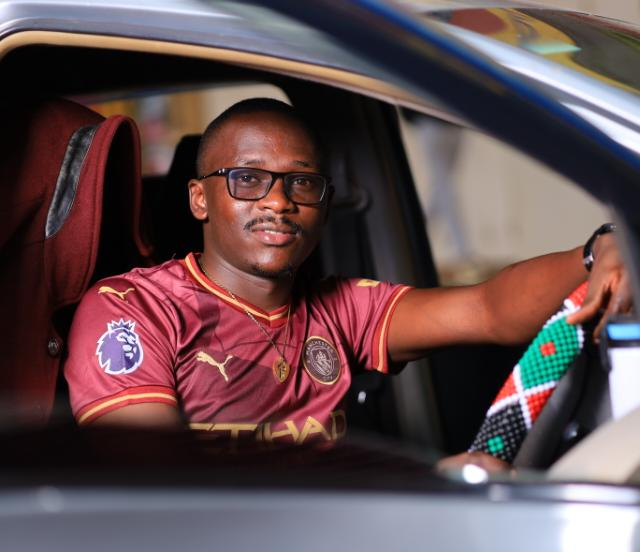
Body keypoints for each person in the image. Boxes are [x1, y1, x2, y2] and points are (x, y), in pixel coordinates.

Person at [64, 98, 630, 469]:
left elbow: (488, 309)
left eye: (301, 183)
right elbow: (160, 485)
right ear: (199, 199)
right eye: (248, 179)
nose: (278, 201)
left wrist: (599, 250)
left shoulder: (340, 308)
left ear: (324, 204)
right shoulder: (132, 310)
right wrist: (414, 493)